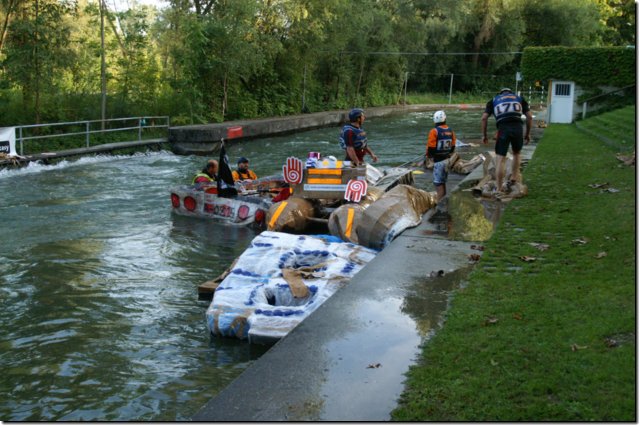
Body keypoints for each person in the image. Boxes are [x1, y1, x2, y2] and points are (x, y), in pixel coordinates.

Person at [481, 87, 533, 194]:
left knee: (500, 158)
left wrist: (484, 135)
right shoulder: (519, 98)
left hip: (503, 129)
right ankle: (514, 177)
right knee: (517, 153)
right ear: (511, 93)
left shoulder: (493, 100)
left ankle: (499, 188)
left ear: (501, 93)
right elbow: (530, 117)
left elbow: (484, 118)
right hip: (518, 127)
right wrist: (527, 134)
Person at [426, 110, 456, 202]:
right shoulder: (451, 131)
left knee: (438, 185)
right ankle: (444, 201)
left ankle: (439, 205)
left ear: (435, 120)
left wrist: (430, 157)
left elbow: (431, 147)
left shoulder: (434, 131)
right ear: (445, 119)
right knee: (443, 183)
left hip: (438, 161)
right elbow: (453, 146)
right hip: (447, 160)